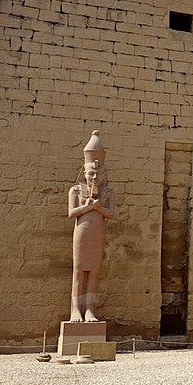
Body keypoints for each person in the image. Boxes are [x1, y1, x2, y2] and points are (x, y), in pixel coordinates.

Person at [68, 131, 114, 322]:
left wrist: (99, 208)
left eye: (98, 174)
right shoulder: (76, 190)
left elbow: (111, 214)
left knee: (94, 271)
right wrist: (88, 207)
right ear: (84, 173)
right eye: (91, 174)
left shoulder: (108, 192)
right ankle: (75, 310)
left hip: (97, 232)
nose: (94, 178)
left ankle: (89, 309)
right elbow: (71, 212)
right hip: (82, 232)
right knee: (79, 270)